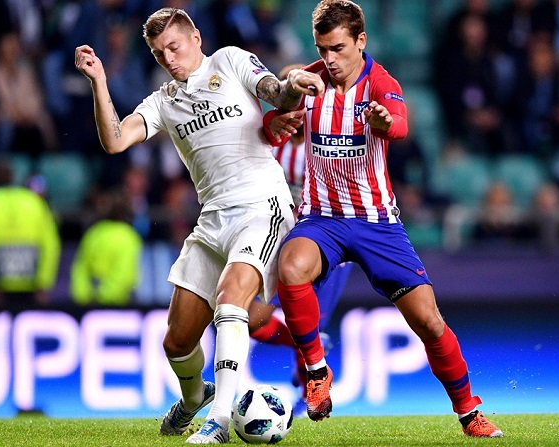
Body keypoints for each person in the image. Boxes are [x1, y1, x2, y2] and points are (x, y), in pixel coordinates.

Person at [74, 7, 324, 444]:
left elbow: (274, 90)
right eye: (158, 53)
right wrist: (99, 81)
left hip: (261, 207)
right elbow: (115, 140)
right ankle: (195, 400)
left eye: (174, 46)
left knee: (230, 303)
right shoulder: (164, 99)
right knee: (177, 341)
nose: (169, 58)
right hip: (211, 221)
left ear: (196, 37)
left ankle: (220, 421)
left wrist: (290, 86)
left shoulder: (228, 60)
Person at [266, 0, 503, 438]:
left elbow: (399, 125)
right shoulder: (308, 82)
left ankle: (469, 412)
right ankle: (317, 374)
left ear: (361, 41)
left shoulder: (381, 82)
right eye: (322, 49)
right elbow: (271, 125)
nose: (330, 59)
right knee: (291, 266)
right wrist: (276, 120)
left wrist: (381, 121)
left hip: (377, 224)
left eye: (338, 48)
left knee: (429, 322)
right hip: (321, 219)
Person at [249, 63, 352, 416]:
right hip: (276, 238)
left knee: (309, 321)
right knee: (249, 317)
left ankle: (312, 393)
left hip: (324, 240)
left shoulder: (326, 137)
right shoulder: (268, 135)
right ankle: (308, 353)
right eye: (290, 94)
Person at [0, 160, 60, 307]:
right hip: (32, 287)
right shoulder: (35, 202)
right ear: (13, 177)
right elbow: (51, 245)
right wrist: (44, 284)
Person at [70, 193, 143, 306]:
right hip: (119, 305)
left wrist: (84, 297)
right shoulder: (128, 237)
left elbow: (80, 268)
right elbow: (123, 272)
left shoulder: (93, 233)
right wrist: (104, 297)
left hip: (89, 304)